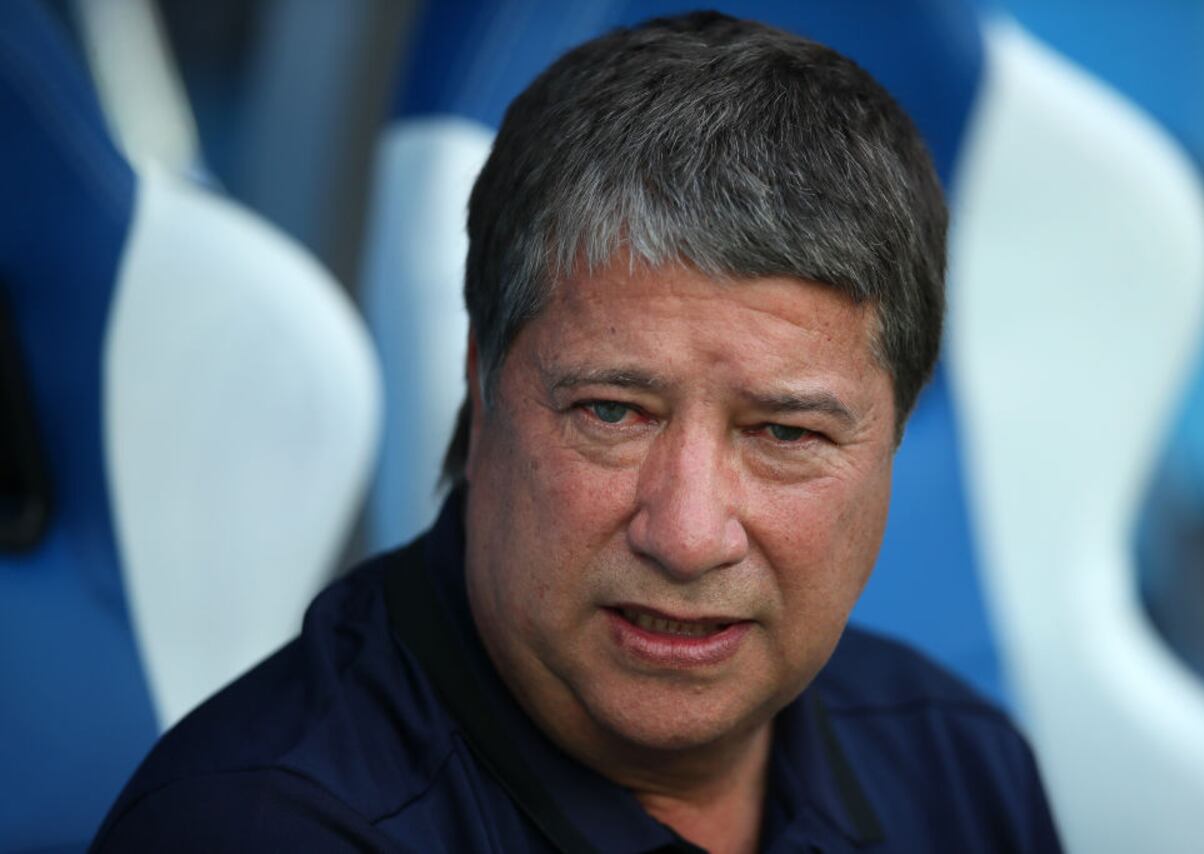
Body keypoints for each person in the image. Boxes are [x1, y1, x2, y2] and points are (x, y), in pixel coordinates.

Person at [93, 12, 1061, 852]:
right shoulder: (264, 828)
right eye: (612, 411)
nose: (685, 534)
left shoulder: (956, 761)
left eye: (783, 431)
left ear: (893, 434)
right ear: (480, 388)